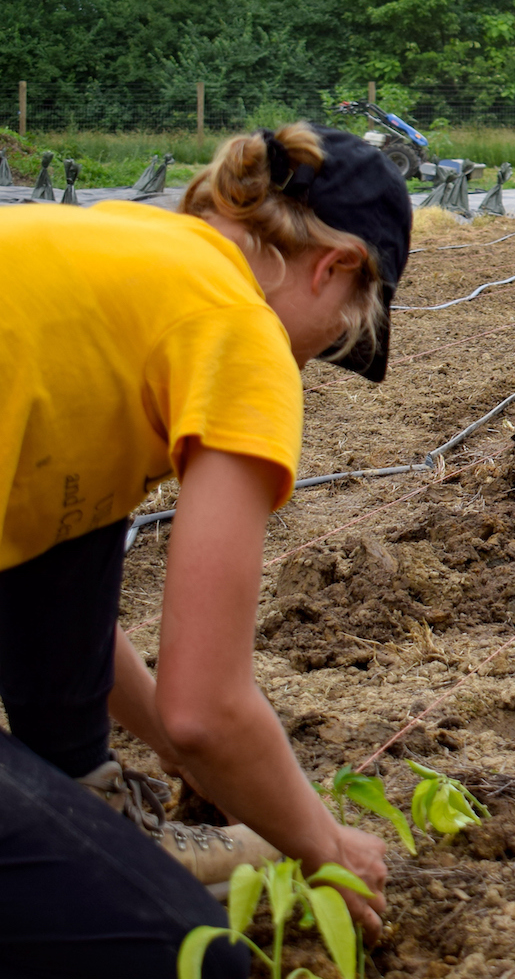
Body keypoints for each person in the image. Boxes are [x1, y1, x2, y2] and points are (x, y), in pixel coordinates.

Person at [0, 123, 404, 976]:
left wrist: (194, 768)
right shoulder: (239, 328)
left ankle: (80, 804)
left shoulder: (120, 246)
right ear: (335, 269)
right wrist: (321, 839)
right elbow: (206, 709)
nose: (314, 354)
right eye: (337, 335)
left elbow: (58, 602)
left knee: (84, 514)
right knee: (190, 957)